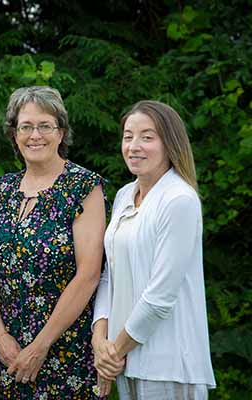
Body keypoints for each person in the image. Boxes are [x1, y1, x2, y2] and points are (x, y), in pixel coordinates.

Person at [0, 86, 107, 399]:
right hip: (7, 354)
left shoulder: (84, 186)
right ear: (14, 134)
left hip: (64, 353)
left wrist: (40, 345)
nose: (35, 135)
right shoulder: (3, 190)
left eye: (45, 126)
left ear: (61, 133)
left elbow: (88, 274)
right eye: (26, 126)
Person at [92, 100, 216, 398]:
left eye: (147, 137)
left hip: (170, 364)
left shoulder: (179, 200)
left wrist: (114, 352)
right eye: (128, 136)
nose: (134, 146)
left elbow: (160, 296)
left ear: (169, 144)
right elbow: (110, 275)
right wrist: (100, 340)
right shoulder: (124, 196)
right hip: (126, 362)